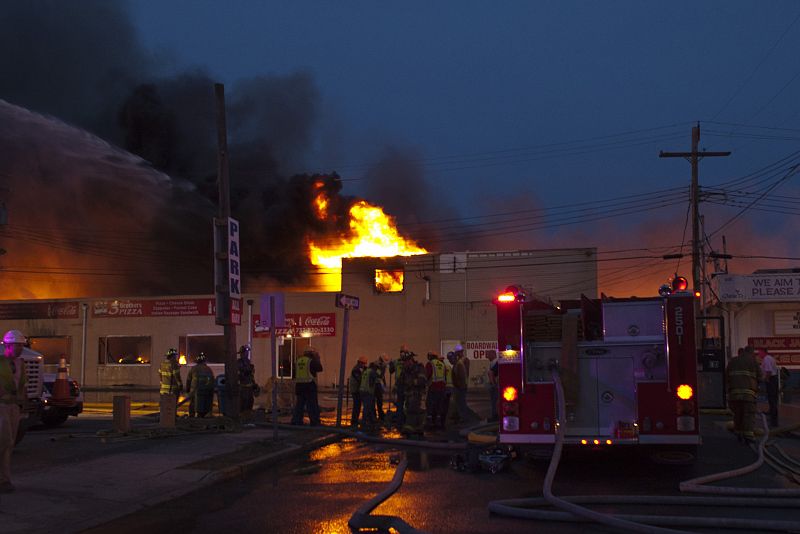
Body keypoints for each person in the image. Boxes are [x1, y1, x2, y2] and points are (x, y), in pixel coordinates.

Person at [0, 330, 28, 493]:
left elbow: (22, 384)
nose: (20, 349)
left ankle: (5, 478)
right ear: (7, 345)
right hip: (2, 406)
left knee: (9, 443)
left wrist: (23, 403)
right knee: (4, 441)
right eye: (17, 345)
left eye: (21, 346)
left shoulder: (20, 364)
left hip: (13, 407)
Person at [727, 345, 762, 442]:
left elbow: (727, 377)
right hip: (748, 395)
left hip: (734, 395)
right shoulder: (753, 361)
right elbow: (760, 377)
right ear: (751, 353)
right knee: (748, 414)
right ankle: (748, 436)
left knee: (738, 414)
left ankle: (738, 433)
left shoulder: (732, 361)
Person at [399, 351, 427, 436]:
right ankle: (414, 428)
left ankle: (413, 428)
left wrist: (411, 382)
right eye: (403, 361)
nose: (404, 363)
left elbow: (422, 380)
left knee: (415, 412)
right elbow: (401, 381)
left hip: (418, 395)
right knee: (410, 410)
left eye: (406, 361)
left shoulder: (419, 368)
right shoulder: (405, 370)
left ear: (410, 360)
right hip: (409, 396)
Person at [452, 346, 479, 426]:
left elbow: (465, 373)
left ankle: (467, 418)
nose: (456, 354)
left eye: (457, 352)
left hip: (462, 385)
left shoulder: (464, 360)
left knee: (462, 402)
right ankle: (463, 417)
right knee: (459, 402)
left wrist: (462, 384)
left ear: (460, 352)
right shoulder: (459, 361)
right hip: (459, 384)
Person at [186, 352, 215, 418]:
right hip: (207, 391)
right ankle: (204, 416)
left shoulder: (194, 368)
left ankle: (192, 417)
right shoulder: (209, 369)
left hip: (195, 391)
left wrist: (188, 390)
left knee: (193, 404)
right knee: (205, 404)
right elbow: (212, 380)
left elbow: (188, 380)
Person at [425, 351, 446, 429]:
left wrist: (424, 384)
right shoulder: (442, 364)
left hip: (433, 387)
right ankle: (438, 422)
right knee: (439, 405)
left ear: (430, 356)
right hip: (442, 388)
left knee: (430, 404)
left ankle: (430, 422)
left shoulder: (430, 364)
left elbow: (427, 375)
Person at [759, 348, 779, 427]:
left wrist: (766, 379)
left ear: (764, 352)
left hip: (771, 380)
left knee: (772, 398)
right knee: (772, 398)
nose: (759, 355)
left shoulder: (766, 359)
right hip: (773, 379)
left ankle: (774, 419)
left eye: (760, 353)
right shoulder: (769, 358)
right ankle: (772, 412)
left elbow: (769, 371)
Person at [237, 345, 258, 412]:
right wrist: (244, 373)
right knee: (243, 404)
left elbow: (251, 376)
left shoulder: (248, 362)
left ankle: (248, 418)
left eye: (247, 353)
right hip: (243, 388)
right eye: (245, 353)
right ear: (242, 353)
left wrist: (254, 384)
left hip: (249, 388)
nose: (246, 354)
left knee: (250, 403)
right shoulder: (238, 363)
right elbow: (238, 375)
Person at [359, 361, 379, 429]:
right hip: (367, 391)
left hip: (362, 390)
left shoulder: (366, 371)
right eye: (376, 368)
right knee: (367, 407)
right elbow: (377, 377)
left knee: (366, 406)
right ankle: (365, 421)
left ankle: (367, 420)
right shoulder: (372, 372)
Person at [349, 356, 368, 427]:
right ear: (360, 363)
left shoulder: (359, 369)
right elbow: (359, 379)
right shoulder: (356, 370)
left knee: (358, 406)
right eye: (363, 364)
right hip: (355, 390)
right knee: (356, 406)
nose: (364, 365)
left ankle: (355, 420)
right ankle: (354, 421)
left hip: (357, 390)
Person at [374, 354, 389, 423]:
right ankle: (377, 415)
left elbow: (382, 376)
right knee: (377, 400)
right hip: (375, 384)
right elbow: (379, 375)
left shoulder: (380, 365)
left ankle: (379, 415)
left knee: (379, 400)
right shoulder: (377, 366)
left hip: (377, 384)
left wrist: (384, 383)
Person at [486, 350, 499, 422]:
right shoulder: (492, 363)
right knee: (494, 401)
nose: (487, 355)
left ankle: (495, 416)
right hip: (495, 385)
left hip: (495, 386)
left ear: (493, 354)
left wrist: (493, 384)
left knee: (494, 401)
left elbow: (491, 373)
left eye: (488, 354)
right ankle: (494, 416)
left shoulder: (496, 363)